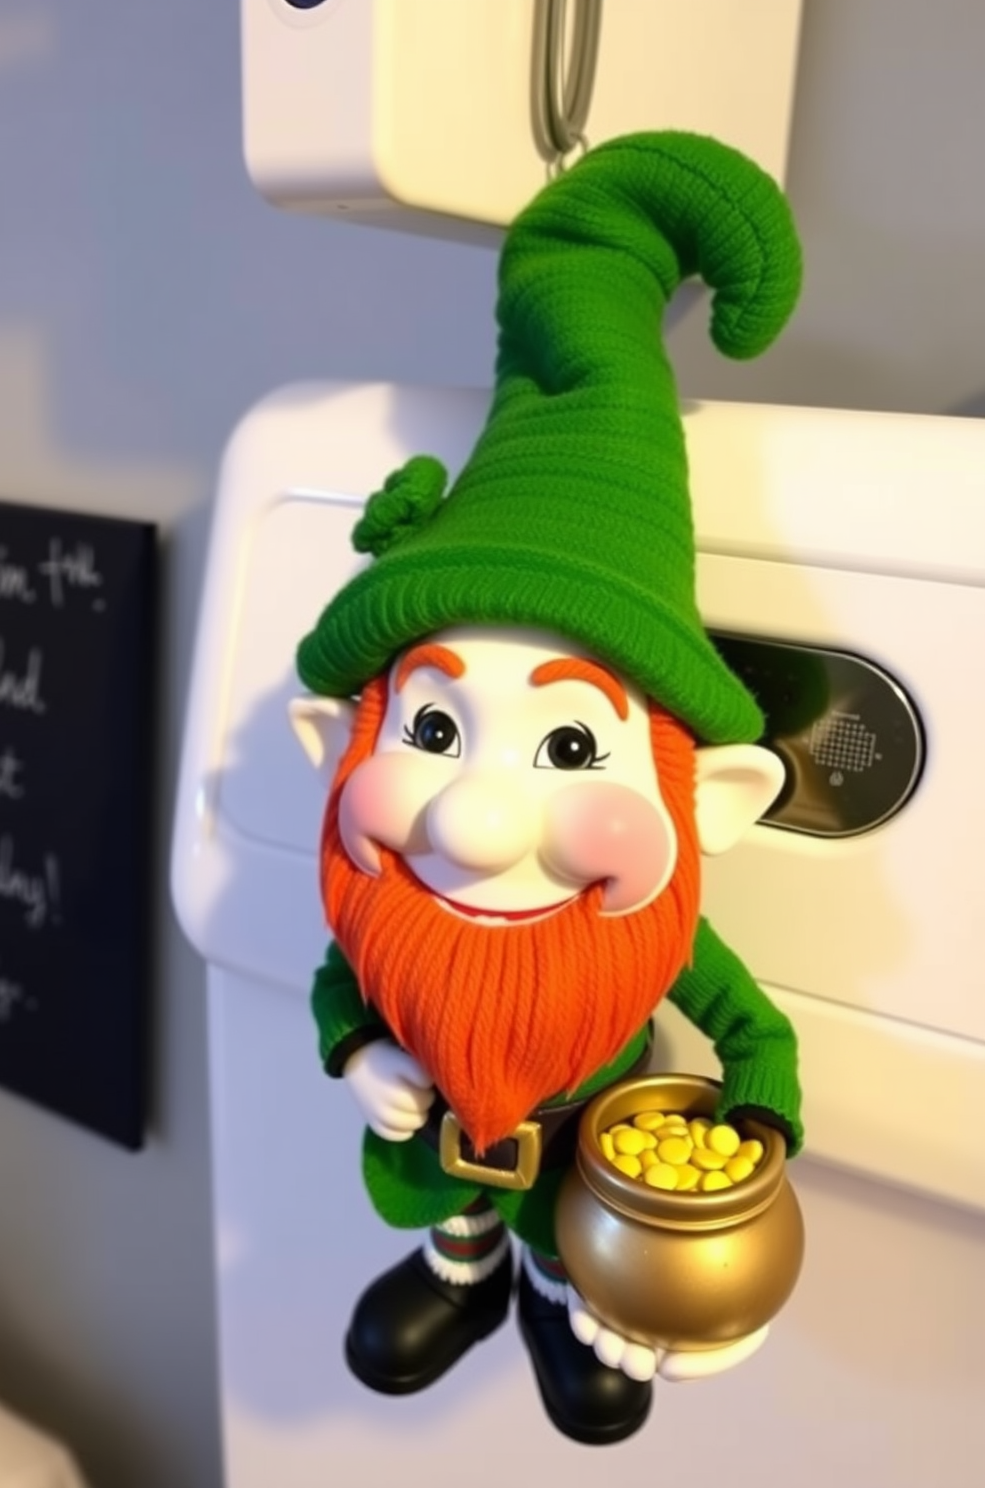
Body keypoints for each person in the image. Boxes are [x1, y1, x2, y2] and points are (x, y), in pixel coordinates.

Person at [291, 131, 804, 1446]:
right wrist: (361, 1055)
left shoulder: (660, 946)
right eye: (436, 734)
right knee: (454, 1208)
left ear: (715, 802)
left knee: (556, 1247)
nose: (475, 819)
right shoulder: (383, 930)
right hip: (438, 1138)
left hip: (585, 1187)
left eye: (573, 749)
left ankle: (537, 1290)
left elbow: (754, 1044)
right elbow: (340, 982)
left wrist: (732, 1215)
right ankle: (461, 1277)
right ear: (332, 743)